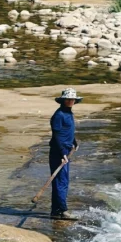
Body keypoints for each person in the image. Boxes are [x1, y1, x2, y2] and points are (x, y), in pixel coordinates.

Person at [49, 87, 79, 219]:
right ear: (63, 100)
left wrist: (74, 142)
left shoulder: (68, 113)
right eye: (68, 99)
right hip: (58, 151)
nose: (71, 101)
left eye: (73, 99)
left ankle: (55, 211)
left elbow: (67, 131)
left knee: (62, 181)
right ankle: (63, 210)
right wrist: (62, 153)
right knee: (61, 182)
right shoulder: (59, 115)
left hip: (66, 149)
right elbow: (57, 135)